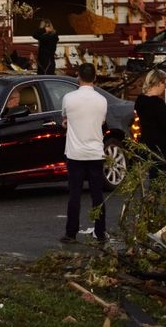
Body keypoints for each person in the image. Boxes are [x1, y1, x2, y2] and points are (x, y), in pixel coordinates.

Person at [60, 63, 108, 244]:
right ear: (95, 78)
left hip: (75, 153)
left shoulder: (69, 98)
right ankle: (100, 231)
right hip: (95, 152)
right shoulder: (102, 100)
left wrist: (67, 123)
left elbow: (65, 117)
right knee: (97, 195)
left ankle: (71, 233)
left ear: (78, 76)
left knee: (74, 194)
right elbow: (101, 121)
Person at [134, 69, 166, 179]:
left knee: (152, 177)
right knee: (160, 179)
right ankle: (154, 196)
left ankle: (151, 196)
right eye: (165, 83)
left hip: (145, 143)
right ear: (158, 83)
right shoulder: (157, 103)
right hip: (159, 146)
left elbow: (152, 118)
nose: (165, 86)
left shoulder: (140, 99)